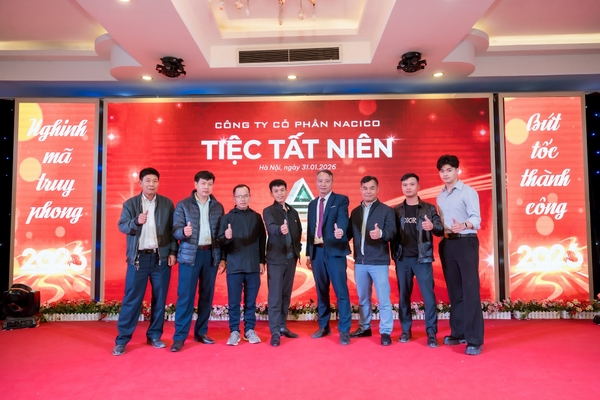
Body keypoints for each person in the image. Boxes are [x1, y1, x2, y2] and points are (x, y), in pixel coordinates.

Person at [113, 167, 177, 356]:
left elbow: (172, 231)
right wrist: (136, 222)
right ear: (140, 183)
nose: (151, 184)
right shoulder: (130, 204)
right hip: (138, 259)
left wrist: (173, 252)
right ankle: (122, 340)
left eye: (155, 181)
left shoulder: (167, 204)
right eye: (147, 181)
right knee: (132, 299)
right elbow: (122, 226)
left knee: (160, 299)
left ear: (158, 183)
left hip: (160, 259)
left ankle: (155, 336)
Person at [170, 171, 225, 352]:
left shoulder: (218, 206)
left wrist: (222, 257)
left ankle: (201, 332)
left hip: (210, 255)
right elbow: (175, 230)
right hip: (190, 256)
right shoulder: (184, 205)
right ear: (195, 184)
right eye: (203, 183)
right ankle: (179, 337)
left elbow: (221, 235)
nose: (206, 187)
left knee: (206, 296)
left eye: (209, 184)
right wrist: (182, 232)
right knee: (185, 297)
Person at [436, 155, 484, 356]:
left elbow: (476, 219)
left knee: (470, 291)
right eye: (442, 171)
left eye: (449, 170)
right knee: (454, 291)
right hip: (447, 243)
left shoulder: (468, 192)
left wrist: (463, 225)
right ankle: (458, 332)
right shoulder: (440, 196)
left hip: (466, 242)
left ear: (457, 170)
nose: (445, 174)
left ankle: (474, 340)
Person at [392, 173, 444, 347]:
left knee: (428, 297)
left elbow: (440, 229)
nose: (408, 187)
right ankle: (405, 330)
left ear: (418, 186)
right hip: (402, 259)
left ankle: (431, 332)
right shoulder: (396, 210)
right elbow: (391, 233)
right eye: (405, 185)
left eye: (411, 184)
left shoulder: (429, 208)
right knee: (403, 296)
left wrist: (432, 226)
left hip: (423, 259)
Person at [347, 176, 396, 346]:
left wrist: (381, 234)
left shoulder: (387, 211)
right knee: (363, 299)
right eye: (365, 188)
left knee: (383, 299)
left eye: (372, 188)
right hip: (360, 262)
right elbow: (348, 234)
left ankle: (386, 331)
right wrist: (339, 234)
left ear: (378, 189)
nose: (368, 191)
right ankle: (364, 327)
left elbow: (392, 232)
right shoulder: (355, 212)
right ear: (360, 189)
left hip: (379, 262)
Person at [306, 170, 352, 345]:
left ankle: (344, 330)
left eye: (326, 181)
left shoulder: (340, 200)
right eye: (320, 181)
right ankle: (324, 326)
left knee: (341, 291)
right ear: (316, 182)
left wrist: (341, 230)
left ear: (332, 182)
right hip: (317, 252)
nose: (323, 184)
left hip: (335, 252)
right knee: (321, 291)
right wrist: (309, 254)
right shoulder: (312, 204)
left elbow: (343, 219)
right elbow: (310, 230)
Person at [218, 184, 267, 346]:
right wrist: (226, 237)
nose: (243, 199)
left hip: (253, 265)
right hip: (234, 265)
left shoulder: (256, 217)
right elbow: (220, 242)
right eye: (239, 196)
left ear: (250, 197)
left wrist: (262, 261)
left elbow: (262, 240)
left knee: (251, 301)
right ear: (234, 198)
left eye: (245, 196)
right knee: (234, 302)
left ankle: (249, 330)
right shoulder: (227, 218)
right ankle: (234, 331)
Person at [263, 179, 302, 347]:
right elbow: (271, 227)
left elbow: (299, 232)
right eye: (276, 191)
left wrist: (298, 250)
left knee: (286, 295)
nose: (279, 193)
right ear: (271, 193)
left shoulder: (293, 212)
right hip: (276, 260)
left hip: (291, 258)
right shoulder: (269, 211)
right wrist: (280, 229)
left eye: (282, 190)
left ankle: (282, 326)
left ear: (286, 191)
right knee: (275, 296)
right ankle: (275, 331)